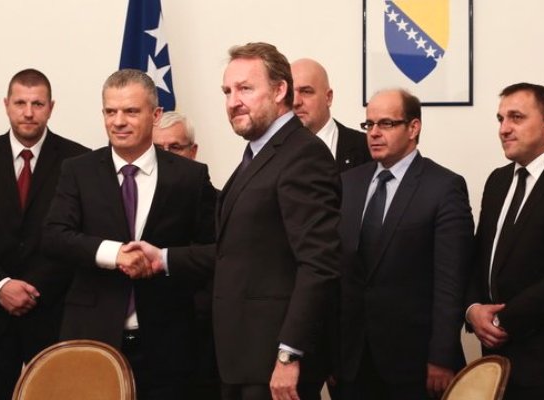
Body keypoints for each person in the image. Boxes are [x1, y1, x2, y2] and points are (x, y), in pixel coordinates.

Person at [129, 42, 341, 400]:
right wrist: (163, 258)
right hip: (242, 360)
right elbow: (238, 252)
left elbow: (319, 265)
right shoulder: (259, 153)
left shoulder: (302, 155)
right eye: (227, 91)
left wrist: (289, 354)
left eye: (245, 88)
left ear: (280, 90)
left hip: (274, 364)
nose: (233, 101)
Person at [42, 69, 216, 400]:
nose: (118, 121)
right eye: (111, 111)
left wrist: (164, 261)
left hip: (169, 343)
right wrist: (114, 253)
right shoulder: (78, 170)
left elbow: (214, 251)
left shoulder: (189, 177)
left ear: (156, 114)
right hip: (92, 337)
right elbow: (53, 236)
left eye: (131, 111)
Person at [0, 68, 89, 400]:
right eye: (20, 103)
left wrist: (31, 289)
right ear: (6, 105)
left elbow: (77, 236)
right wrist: (1, 286)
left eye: (37, 104)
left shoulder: (79, 161)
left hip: (53, 312)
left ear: (51, 108)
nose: (28, 113)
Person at [337, 89, 473, 399]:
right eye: (369, 124)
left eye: (386, 123)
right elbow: (338, 272)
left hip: (415, 363)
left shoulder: (444, 187)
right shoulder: (348, 183)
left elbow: (450, 282)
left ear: (413, 128)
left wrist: (441, 355)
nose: (374, 133)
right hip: (351, 362)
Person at [466, 82, 544, 399]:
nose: (504, 129)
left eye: (516, 117)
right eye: (500, 119)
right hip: (494, 364)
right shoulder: (498, 180)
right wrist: (473, 309)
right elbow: (479, 257)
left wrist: (503, 320)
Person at [152, 111, 221, 399]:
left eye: (175, 147)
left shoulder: (219, 202)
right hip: (153, 338)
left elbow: (221, 259)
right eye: (158, 149)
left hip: (202, 337)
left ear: (193, 151)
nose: (166, 156)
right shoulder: (136, 202)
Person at [290, 58, 370, 172]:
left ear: (328, 97)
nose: (295, 102)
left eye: (306, 91)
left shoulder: (365, 147)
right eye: (290, 94)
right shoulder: (273, 150)